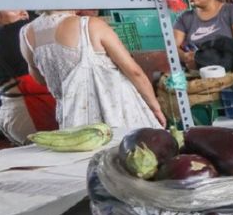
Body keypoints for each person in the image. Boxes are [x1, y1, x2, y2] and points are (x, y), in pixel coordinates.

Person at [22, 11, 166, 129]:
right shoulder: (90, 25)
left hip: (74, 121)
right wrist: (155, 107)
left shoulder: (26, 33)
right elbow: (134, 72)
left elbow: (39, 78)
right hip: (118, 115)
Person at [0, 10, 35, 143]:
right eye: (15, 8)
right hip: (29, 111)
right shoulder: (14, 31)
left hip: (9, 110)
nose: (24, 13)